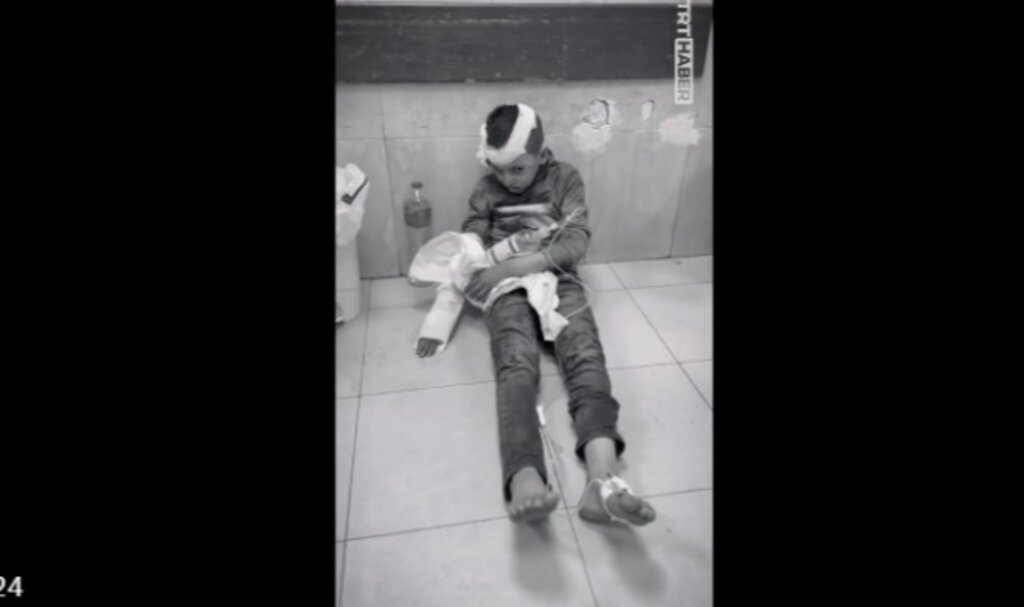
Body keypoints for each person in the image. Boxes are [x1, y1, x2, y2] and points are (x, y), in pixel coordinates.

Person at [421, 103, 656, 526]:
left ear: (541, 153)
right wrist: (483, 266)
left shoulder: (564, 179)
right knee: (516, 364)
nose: (508, 180)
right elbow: (472, 245)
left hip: (556, 277)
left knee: (585, 356)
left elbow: (575, 244)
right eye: (499, 170)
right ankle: (525, 476)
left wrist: (514, 264)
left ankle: (603, 481)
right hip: (502, 287)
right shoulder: (485, 190)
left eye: (519, 169)